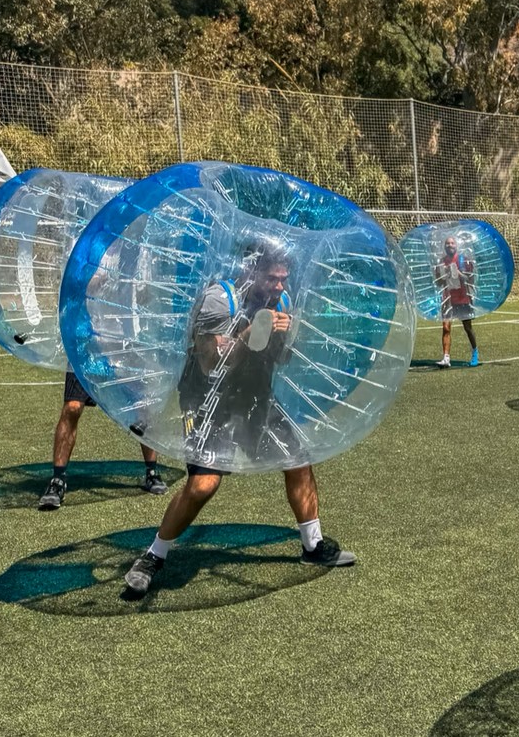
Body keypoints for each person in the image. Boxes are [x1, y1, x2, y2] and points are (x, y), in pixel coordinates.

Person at [123, 246, 354, 597]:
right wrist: (249, 333)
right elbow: (210, 364)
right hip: (207, 400)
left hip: (254, 395)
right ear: (251, 272)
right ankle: (153, 556)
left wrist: (284, 334)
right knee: (204, 484)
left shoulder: (282, 301)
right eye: (271, 278)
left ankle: (312, 545)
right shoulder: (219, 300)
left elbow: (281, 358)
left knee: (298, 460)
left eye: (283, 279)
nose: (278, 286)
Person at [36, 370, 167, 510]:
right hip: (84, 355)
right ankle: (58, 479)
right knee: (72, 408)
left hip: (122, 356)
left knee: (142, 405)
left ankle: (152, 472)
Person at [434, 235, 479, 367]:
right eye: (447, 243)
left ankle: (475, 352)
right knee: (446, 328)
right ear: (445, 247)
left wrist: (459, 274)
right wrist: (444, 275)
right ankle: (446, 358)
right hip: (447, 298)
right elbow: (438, 283)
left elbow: (470, 280)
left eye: (452, 243)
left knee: (468, 327)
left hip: (462, 297)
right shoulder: (441, 262)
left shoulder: (463, 260)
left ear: (456, 245)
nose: (450, 245)